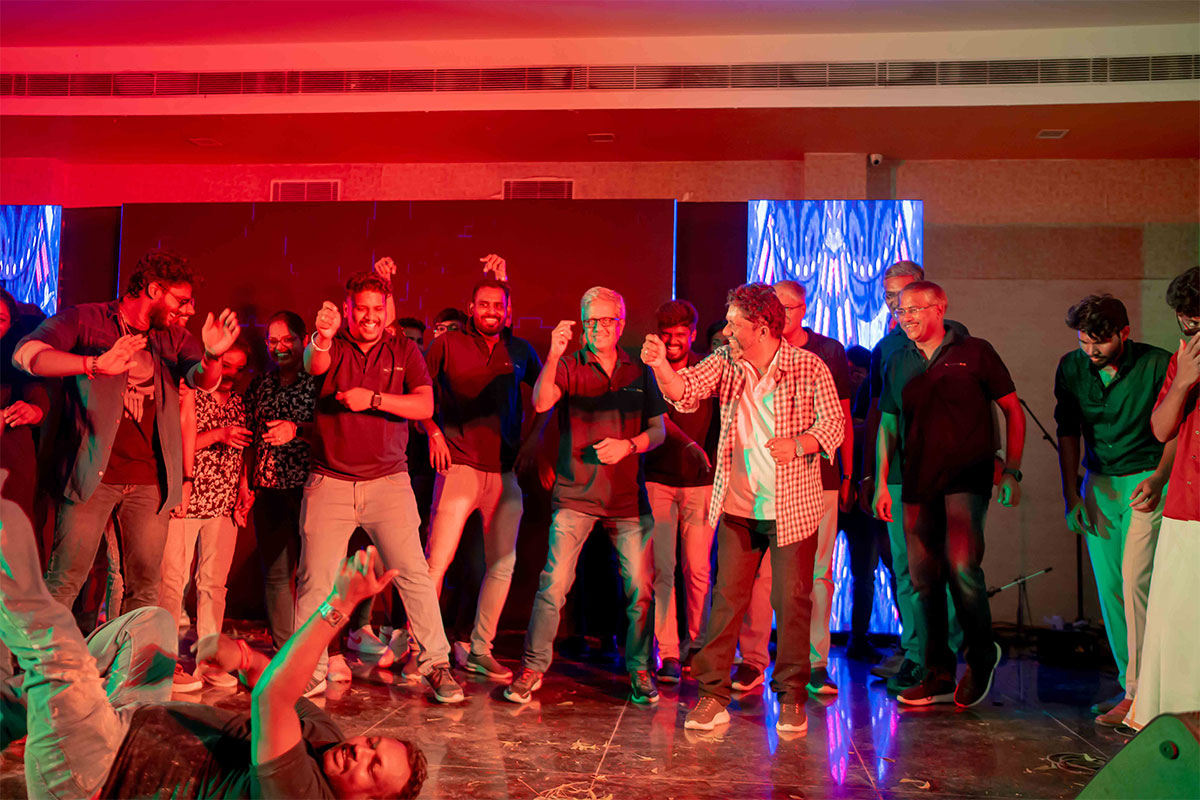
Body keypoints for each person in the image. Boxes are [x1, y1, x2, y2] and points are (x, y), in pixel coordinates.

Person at [0, 475, 427, 799]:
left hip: (95, 775)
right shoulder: (327, 737)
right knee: (151, 624)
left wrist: (338, 605)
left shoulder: (302, 793)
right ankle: (25, 713)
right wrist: (242, 658)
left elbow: (272, 699)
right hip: (126, 719)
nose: (360, 751)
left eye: (372, 767)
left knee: (59, 650)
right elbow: (268, 679)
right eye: (372, 744)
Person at [642, 283, 845, 734]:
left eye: (736, 323)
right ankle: (713, 696)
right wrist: (660, 367)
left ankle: (791, 698)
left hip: (792, 507)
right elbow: (685, 390)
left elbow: (834, 424)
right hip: (738, 505)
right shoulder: (726, 361)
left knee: (791, 603)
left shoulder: (808, 366)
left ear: (763, 326)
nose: (728, 330)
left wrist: (800, 443)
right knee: (726, 601)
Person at [13, 250, 240, 631]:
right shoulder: (87, 320)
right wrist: (93, 364)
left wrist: (213, 356)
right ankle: (43, 661)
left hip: (150, 483)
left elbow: (201, 380)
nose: (188, 310)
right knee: (65, 580)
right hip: (92, 477)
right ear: (153, 290)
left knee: (144, 589)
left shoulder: (173, 337)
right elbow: (26, 355)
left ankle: (128, 663)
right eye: (182, 300)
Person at [296, 271, 464, 702]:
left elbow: (424, 404)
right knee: (316, 582)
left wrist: (372, 399)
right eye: (361, 309)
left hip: (388, 483)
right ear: (348, 309)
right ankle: (308, 670)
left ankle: (436, 664)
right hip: (330, 482)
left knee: (414, 575)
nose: (369, 317)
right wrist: (321, 336)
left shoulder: (405, 349)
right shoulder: (333, 344)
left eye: (377, 309)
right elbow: (313, 363)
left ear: (386, 309)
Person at [504, 286, 667, 705]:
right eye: (591, 321)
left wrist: (628, 446)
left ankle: (640, 670)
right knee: (553, 584)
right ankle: (532, 668)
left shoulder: (639, 369)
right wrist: (554, 354)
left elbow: (659, 431)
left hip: (627, 501)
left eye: (607, 320)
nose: (598, 328)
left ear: (621, 324)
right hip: (575, 496)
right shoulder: (568, 365)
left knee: (640, 590)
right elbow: (541, 402)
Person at [873, 280, 1025, 707]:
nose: (905, 318)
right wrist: (882, 482)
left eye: (914, 309)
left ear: (939, 308)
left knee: (962, 568)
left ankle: (980, 658)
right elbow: (888, 424)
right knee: (923, 580)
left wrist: (1011, 470)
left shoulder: (975, 352)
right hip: (917, 483)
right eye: (901, 311)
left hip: (967, 478)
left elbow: (1012, 410)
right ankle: (937, 673)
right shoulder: (897, 358)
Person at [1053, 294, 1173, 725]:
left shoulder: (1157, 363)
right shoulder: (1071, 366)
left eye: (1100, 342)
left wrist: (1160, 477)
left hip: (1145, 478)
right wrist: (1072, 494)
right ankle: (1129, 686)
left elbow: (1178, 428)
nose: (1091, 350)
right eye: (1084, 341)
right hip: (1098, 482)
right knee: (1111, 591)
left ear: (1125, 332)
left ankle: (1142, 694)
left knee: (1136, 582)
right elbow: (1067, 430)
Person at [734, 280, 854, 696]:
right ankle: (753, 659)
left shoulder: (828, 352)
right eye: (776, 306)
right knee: (764, 573)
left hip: (818, 477)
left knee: (818, 574)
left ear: (804, 309)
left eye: (790, 307)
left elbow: (840, 417)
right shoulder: (751, 348)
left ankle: (814, 662)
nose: (783, 314)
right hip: (765, 481)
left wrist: (848, 476)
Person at [421, 273, 543, 680]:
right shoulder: (447, 344)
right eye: (484, 304)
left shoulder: (520, 350)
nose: (491, 312)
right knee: (436, 563)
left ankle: (479, 649)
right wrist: (433, 431)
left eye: (498, 306)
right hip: (457, 466)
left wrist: (532, 441)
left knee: (503, 565)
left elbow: (547, 395)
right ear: (471, 308)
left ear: (508, 312)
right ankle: (423, 650)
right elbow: (415, 388)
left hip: (505, 472)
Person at [860, 260, 967, 692]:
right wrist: (873, 476)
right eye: (890, 297)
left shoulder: (959, 339)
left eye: (904, 296)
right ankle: (915, 652)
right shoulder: (887, 348)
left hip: (950, 473)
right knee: (905, 567)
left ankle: (951, 652)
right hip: (902, 473)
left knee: (949, 565)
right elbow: (879, 414)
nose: (897, 305)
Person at [159, 337, 254, 690]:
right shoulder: (190, 393)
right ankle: (164, 661)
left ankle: (209, 659)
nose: (231, 374)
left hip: (223, 503)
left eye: (239, 368)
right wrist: (218, 434)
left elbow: (241, 450)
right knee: (173, 582)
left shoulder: (240, 401)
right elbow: (178, 444)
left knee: (214, 585)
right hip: (187, 500)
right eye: (226, 365)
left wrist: (244, 486)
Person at [1131, 267, 1200, 729]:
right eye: (1185, 320)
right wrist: (1183, 380)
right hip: (1185, 507)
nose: (1190, 329)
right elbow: (1161, 429)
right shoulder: (1183, 361)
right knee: (1176, 624)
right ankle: (1174, 723)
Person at [643, 299, 720, 684]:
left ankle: (698, 646)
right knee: (662, 570)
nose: (673, 341)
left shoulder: (707, 367)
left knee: (698, 569)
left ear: (692, 334)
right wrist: (688, 443)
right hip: (656, 479)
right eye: (666, 334)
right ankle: (669, 652)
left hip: (701, 483)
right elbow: (653, 419)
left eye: (679, 334)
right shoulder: (648, 369)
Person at [241, 310, 318, 652]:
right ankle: (285, 650)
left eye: (288, 340)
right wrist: (245, 482)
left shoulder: (318, 382)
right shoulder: (261, 384)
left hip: (311, 489)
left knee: (314, 574)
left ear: (304, 340)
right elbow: (248, 436)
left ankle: (315, 649)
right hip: (269, 489)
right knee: (275, 574)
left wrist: (296, 430)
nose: (280, 347)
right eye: (273, 341)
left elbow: (336, 432)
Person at [841, 344, 893, 661]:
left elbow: (862, 434)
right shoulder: (844, 391)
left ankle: (859, 638)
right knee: (823, 571)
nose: (854, 377)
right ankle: (853, 639)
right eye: (850, 371)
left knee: (865, 571)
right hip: (845, 486)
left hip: (863, 488)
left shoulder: (871, 391)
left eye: (858, 372)